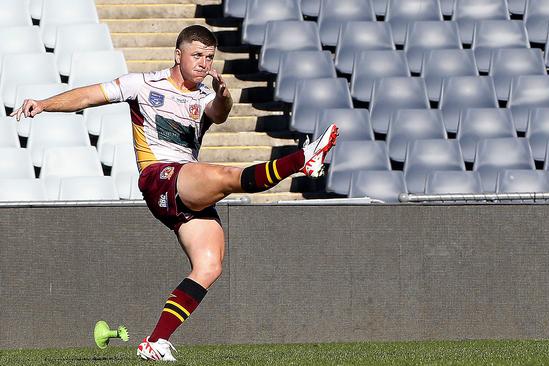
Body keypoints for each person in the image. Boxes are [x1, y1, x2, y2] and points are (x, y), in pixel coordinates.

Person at [12, 25, 338, 361]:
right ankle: (302, 159)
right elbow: (88, 95)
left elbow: (219, 114)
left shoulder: (203, 97)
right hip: (160, 177)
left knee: (209, 265)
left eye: (209, 57)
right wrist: (44, 104)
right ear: (178, 55)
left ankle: (155, 341)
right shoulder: (142, 84)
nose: (203, 63)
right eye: (197, 55)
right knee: (226, 175)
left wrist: (224, 95)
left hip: (185, 188)